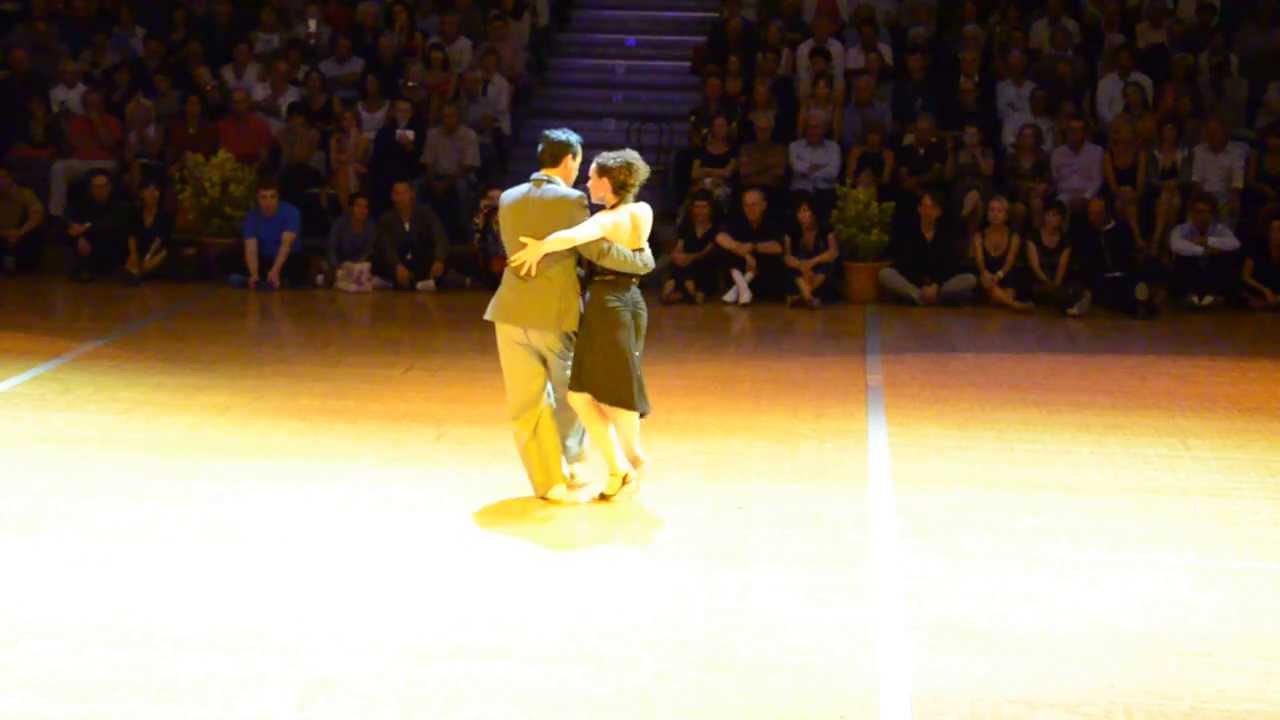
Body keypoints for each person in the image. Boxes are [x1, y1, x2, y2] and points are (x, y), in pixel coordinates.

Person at [482, 129, 656, 502]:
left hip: (509, 311)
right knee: (574, 394)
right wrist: (642, 260)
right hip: (554, 314)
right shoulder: (573, 199)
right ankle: (580, 460)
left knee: (526, 405)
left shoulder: (508, 198)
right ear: (570, 160)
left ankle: (550, 483)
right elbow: (594, 250)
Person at [879, 190, 977, 306]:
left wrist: (936, 285)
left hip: (939, 285)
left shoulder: (945, 235)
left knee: (970, 279)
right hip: (915, 283)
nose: (928, 212)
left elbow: (950, 265)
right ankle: (921, 298)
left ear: (939, 212)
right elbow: (903, 263)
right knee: (885, 274)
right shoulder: (909, 232)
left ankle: (934, 297)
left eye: (932, 208)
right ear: (919, 209)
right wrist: (922, 284)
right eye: (924, 207)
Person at [374, 180, 450, 291]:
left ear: (412, 194)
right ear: (392, 197)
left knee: (445, 260)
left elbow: (439, 235)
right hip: (398, 264)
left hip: (422, 262)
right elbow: (386, 247)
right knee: (381, 262)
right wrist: (396, 265)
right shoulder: (386, 219)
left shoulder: (426, 214)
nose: (401, 197)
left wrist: (439, 259)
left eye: (404, 193)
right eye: (397, 193)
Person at [1169, 192, 1242, 307]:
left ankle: (1216, 295)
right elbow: (1175, 245)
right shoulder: (1182, 229)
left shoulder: (1219, 229)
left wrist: (1207, 241)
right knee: (1182, 256)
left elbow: (1235, 243)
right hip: (1192, 273)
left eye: (1208, 212)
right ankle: (1187, 296)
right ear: (1192, 213)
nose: (1204, 216)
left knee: (1227, 256)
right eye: (1200, 212)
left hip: (1212, 273)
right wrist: (1203, 251)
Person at [235, 177, 307, 290]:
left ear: (278, 197)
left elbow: (286, 246)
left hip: (288, 258)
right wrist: (254, 274)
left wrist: (275, 270)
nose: (268, 202)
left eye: (273, 197)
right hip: (264, 258)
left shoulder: (292, 213)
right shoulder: (252, 216)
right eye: (263, 197)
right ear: (257, 198)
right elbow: (251, 249)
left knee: (297, 269)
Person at [66, 170, 129, 282]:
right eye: (96, 187)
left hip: (111, 245)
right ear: (90, 188)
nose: (100, 190)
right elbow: (71, 220)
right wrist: (80, 237)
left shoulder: (119, 203)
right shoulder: (83, 203)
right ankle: (83, 271)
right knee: (75, 238)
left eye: (103, 186)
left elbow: (112, 222)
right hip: (89, 245)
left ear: (109, 187)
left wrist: (86, 228)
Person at [973, 196, 1032, 311]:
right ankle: (1015, 305)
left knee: (1002, 297)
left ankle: (1004, 300)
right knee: (989, 285)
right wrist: (984, 272)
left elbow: (1010, 261)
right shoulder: (979, 235)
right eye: (992, 210)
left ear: (1006, 215)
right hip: (986, 274)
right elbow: (979, 260)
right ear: (987, 213)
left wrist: (999, 275)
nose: (995, 214)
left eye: (1000, 211)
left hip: (1005, 274)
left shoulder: (1014, 236)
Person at [663, 190, 720, 305]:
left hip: (705, 263)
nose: (700, 211)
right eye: (697, 207)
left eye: (704, 207)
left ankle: (682, 291)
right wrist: (677, 255)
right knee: (676, 265)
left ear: (711, 208)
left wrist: (690, 257)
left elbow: (707, 251)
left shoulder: (716, 227)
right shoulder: (687, 225)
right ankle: (688, 292)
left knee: (699, 266)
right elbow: (680, 245)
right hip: (687, 263)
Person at [783, 192, 838, 309]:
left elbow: (833, 252)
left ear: (813, 211)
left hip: (819, 271)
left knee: (828, 265)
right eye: (798, 212)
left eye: (805, 210)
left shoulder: (825, 228)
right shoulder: (791, 230)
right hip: (801, 272)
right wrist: (801, 266)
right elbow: (787, 257)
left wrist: (812, 262)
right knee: (792, 269)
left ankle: (803, 296)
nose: (801, 215)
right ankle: (809, 298)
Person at [1025, 201, 1081, 313]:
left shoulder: (1065, 241)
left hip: (1057, 282)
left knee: (1073, 287)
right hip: (1038, 280)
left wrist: (1055, 286)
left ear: (1061, 219)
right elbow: (1035, 267)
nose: (1050, 218)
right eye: (1048, 215)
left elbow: (1061, 268)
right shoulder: (1033, 236)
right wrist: (1048, 284)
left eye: (1054, 215)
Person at [124, 175, 173, 284]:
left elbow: (160, 239)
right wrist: (133, 253)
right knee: (131, 261)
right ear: (142, 193)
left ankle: (139, 274)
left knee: (150, 263)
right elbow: (131, 234)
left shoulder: (165, 216)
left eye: (155, 190)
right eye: (149, 189)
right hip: (141, 248)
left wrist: (149, 256)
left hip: (158, 250)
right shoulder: (136, 213)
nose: (153, 193)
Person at [0, 167, 45, 275]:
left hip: (20, 234)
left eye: (3, 177)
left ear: (11, 179)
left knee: (35, 234)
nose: (1, 181)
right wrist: (5, 233)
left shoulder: (25, 193)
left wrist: (20, 232)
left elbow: (37, 214)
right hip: (2, 234)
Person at [1242, 212, 1280, 310]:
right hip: (1259, 292)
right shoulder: (1257, 248)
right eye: (1273, 231)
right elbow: (1245, 277)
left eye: (1279, 231)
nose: (1276, 235)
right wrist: (1265, 290)